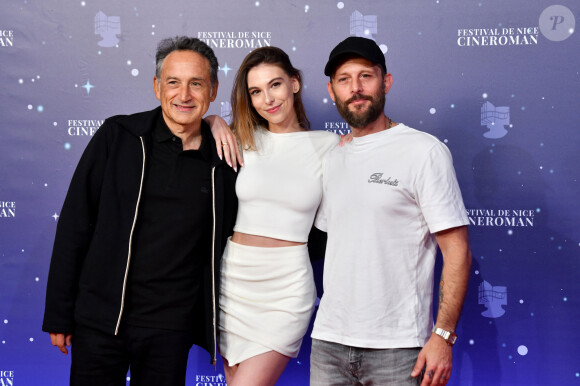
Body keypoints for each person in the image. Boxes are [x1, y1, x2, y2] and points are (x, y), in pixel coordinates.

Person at [42, 36, 238, 386]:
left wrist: (219, 122)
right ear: (156, 87)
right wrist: (59, 314)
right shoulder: (119, 136)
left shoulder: (223, 161)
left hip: (170, 329)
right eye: (173, 82)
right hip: (101, 321)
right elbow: (75, 224)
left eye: (196, 84)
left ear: (213, 90)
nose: (184, 95)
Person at [309, 36, 472, 386]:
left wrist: (443, 336)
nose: (355, 88)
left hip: (399, 349)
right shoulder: (333, 158)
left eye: (365, 76)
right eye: (344, 79)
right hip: (328, 343)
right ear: (331, 90)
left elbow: (457, 251)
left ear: (386, 81)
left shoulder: (423, 151)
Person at [216, 46, 339, 386]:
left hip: (286, 287)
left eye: (275, 85)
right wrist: (212, 121)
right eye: (256, 91)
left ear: (294, 84)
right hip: (233, 280)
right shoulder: (239, 139)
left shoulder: (329, 146)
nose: (267, 99)